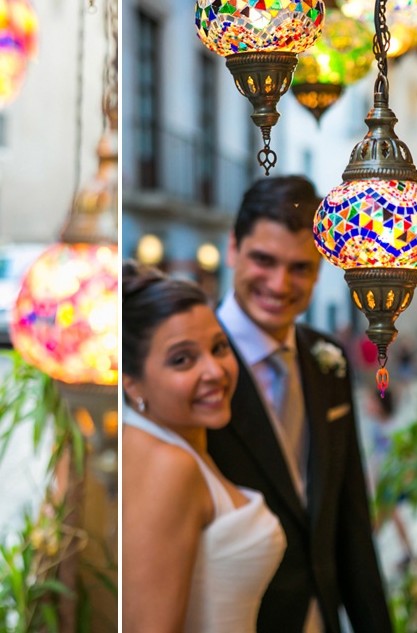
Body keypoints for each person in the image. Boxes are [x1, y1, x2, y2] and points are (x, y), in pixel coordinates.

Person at [207, 176, 392, 633]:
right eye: (263, 260)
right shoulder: (195, 370)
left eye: (300, 267)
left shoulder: (329, 360)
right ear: (233, 249)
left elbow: (350, 521)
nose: (280, 283)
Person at [121, 260, 286, 632]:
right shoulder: (169, 464)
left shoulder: (174, 441)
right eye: (183, 359)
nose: (214, 371)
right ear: (132, 382)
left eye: (219, 347)